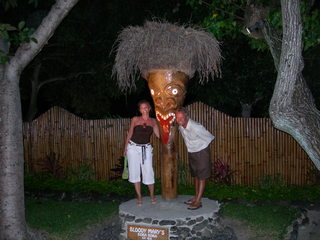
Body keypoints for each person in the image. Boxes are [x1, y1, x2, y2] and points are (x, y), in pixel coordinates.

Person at [175, 107, 215, 210]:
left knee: (202, 177)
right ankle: (196, 197)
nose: (179, 120)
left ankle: (198, 201)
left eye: (181, 117)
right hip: (192, 152)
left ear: (187, 117)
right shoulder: (181, 127)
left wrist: (201, 148)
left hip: (201, 152)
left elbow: (209, 137)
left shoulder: (196, 127)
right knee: (196, 175)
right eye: (177, 118)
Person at [124, 100, 160, 206]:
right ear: (139, 110)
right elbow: (130, 133)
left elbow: (159, 136)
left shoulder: (153, 121)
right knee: (135, 172)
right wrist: (125, 148)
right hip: (133, 148)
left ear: (149, 108)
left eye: (146, 107)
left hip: (146, 148)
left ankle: (152, 196)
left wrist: (168, 135)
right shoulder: (135, 119)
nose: (144, 109)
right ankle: (139, 196)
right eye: (141, 108)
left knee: (148, 171)